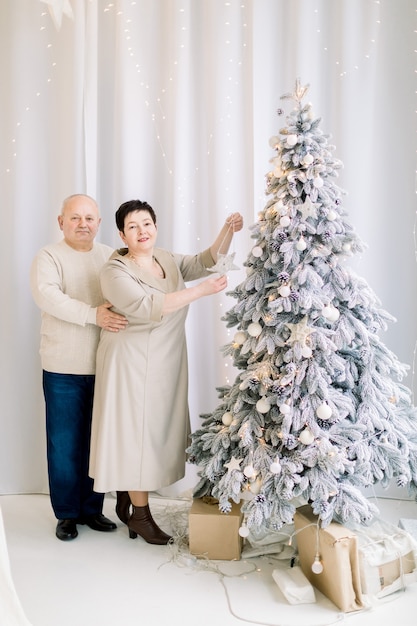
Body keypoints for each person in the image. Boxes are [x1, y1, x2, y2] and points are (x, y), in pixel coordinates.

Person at [89, 199, 244, 544]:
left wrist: (227, 231)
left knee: (157, 432)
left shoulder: (166, 259)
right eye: (133, 226)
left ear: (155, 227)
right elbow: (148, 307)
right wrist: (201, 291)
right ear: (121, 234)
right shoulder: (114, 271)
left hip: (165, 359)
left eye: (147, 224)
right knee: (136, 435)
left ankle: (131, 498)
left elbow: (205, 261)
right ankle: (141, 517)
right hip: (129, 361)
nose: (142, 231)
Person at [30, 194, 128, 541]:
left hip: (105, 365)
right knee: (64, 443)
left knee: (96, 443)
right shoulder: (49, 257)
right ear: (61, 222)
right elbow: (49, 297)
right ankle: (67, 514)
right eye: (75, 218)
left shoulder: (110, 257)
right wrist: (94, 314)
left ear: (99, 224)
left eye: (89, 218)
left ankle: (92, 510)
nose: (82, 224)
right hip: (63, 367)